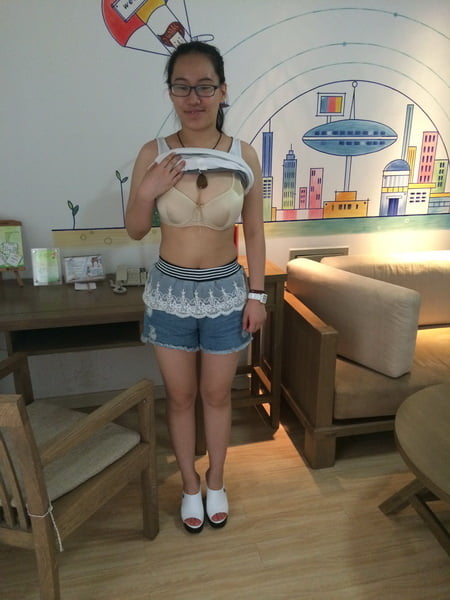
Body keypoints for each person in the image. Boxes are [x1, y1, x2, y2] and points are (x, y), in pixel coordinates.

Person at [126, 41, 266, 533]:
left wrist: (257, 295)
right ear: (170, 93)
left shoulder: (244, 155)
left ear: (223, 91)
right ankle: (189, 485)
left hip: (226, 292)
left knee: (217, 395)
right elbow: (135, 229)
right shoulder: (154, 153)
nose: (194, 98)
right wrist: (147, 189)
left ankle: (217, 480)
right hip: (170, 293)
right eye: (182, 87)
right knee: (181, 396)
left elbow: (255, 232)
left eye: (205, 86)